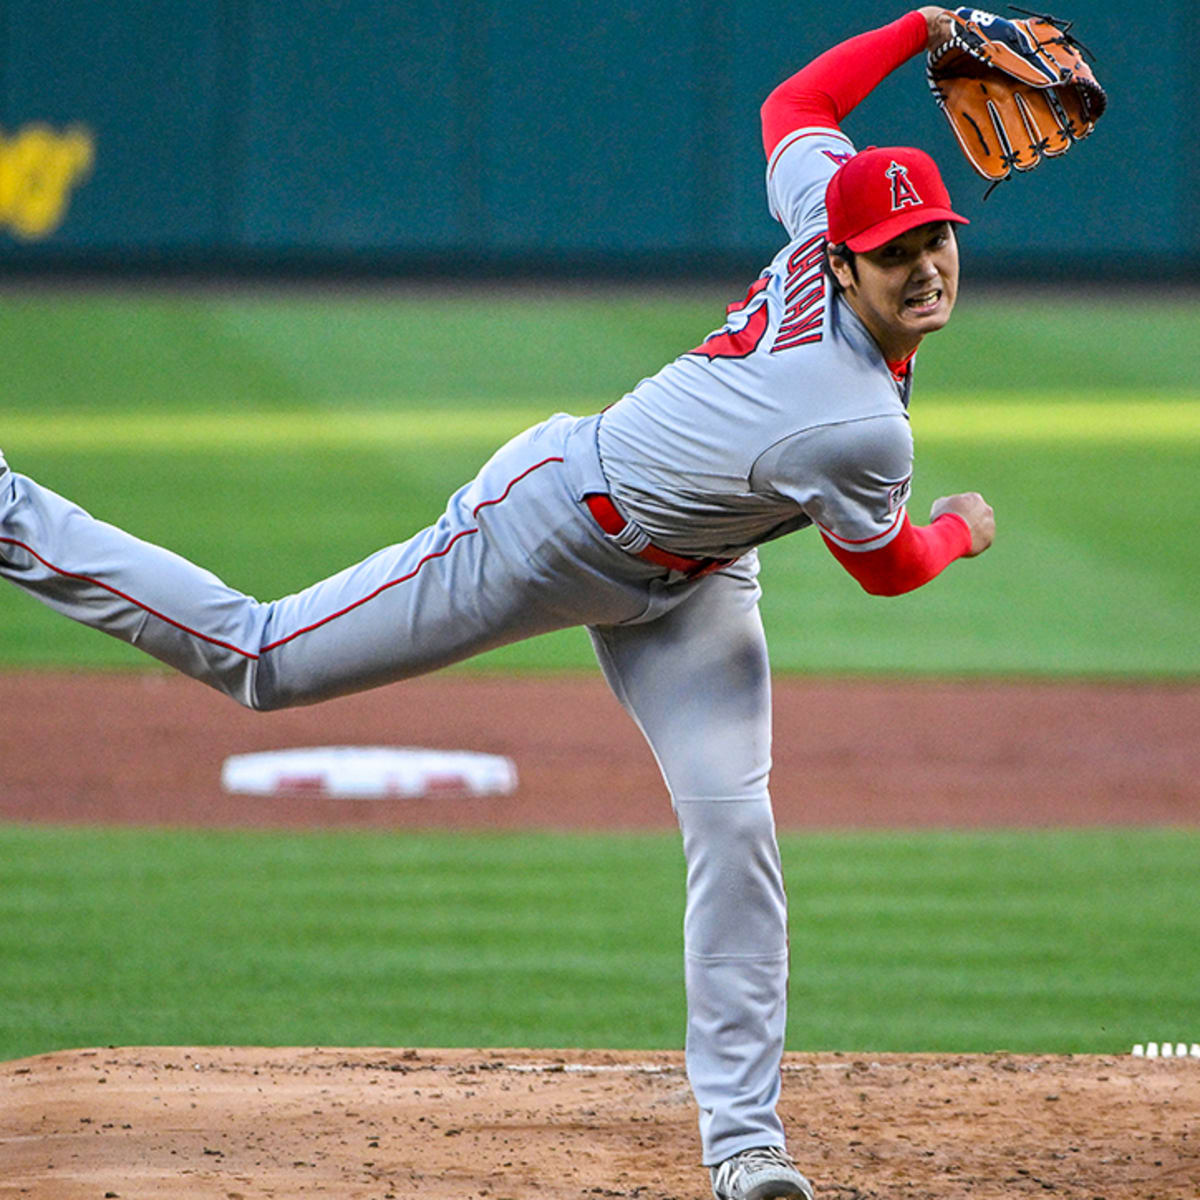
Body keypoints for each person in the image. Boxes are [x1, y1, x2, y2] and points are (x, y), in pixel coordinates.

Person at [0, 8, 994, 1199]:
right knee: (262, 659)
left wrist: (921, 24)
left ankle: (745, 1147)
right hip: (551, 525)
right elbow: (885, 566)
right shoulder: (857, 424)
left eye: (937, 236)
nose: (926, 264)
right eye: (898, 250)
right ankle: (10, 509)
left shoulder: (820, 218)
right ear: (843, 260)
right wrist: (961, 530)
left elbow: (795, 108)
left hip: (695, 581)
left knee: (735, 829)